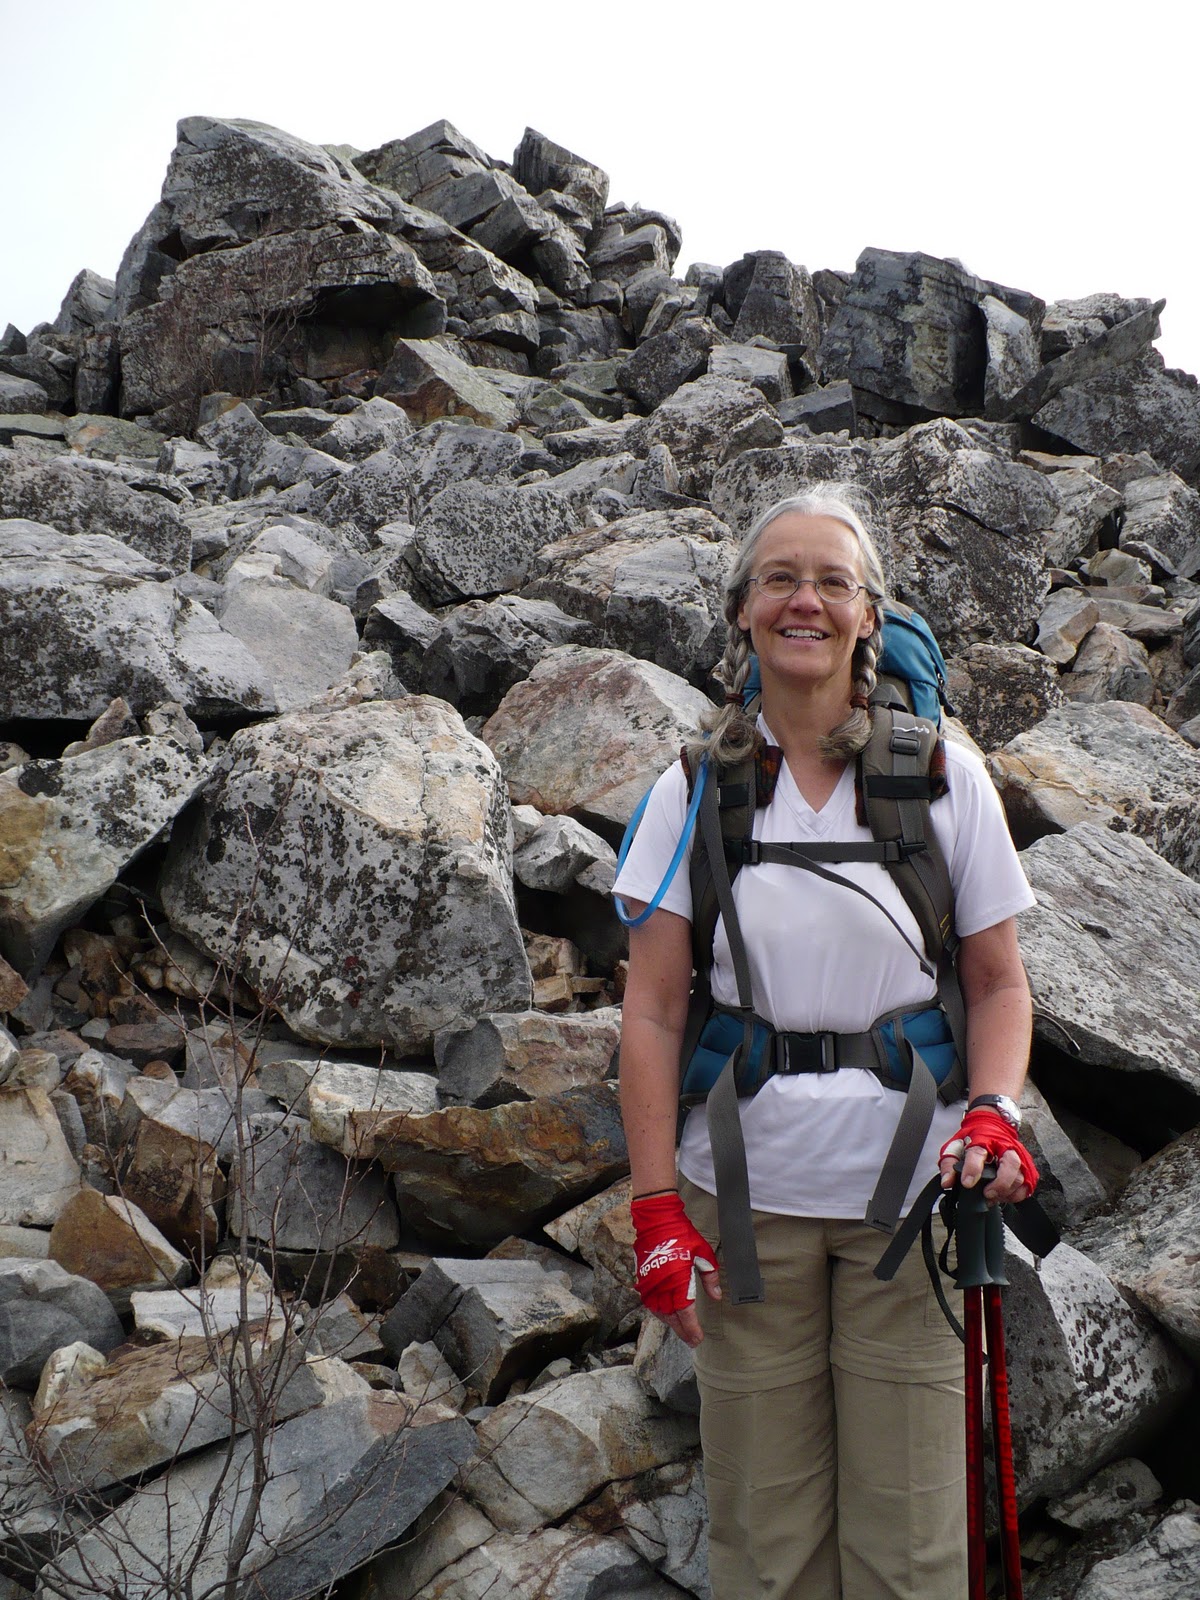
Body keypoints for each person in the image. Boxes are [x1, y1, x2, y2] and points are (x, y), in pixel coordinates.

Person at [613, 489, 1040, 1600]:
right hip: (739, 1209)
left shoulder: (945, 780)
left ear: (867, 615)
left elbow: (998, 983)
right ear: (744, 611)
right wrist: (656, 1211)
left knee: (909, 1549)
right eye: (780, 579)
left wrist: (994, 1110)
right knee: (765, 1544)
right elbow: (654, 1010)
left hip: (911, 1205)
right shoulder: (691, 788)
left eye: (831, 582)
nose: (805, 599)